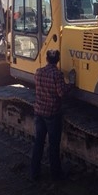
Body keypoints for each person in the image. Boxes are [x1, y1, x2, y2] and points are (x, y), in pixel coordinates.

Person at [31, 49, 75, 181]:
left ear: (46, 59)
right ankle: (56, 175)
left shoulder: (38, 72)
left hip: (39, 112)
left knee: (38, 142)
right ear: (58, 60)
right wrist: (72, 83)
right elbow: (61, 93)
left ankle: (34, 173)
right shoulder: (57, 74)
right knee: (53, 146)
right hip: (52, 114)